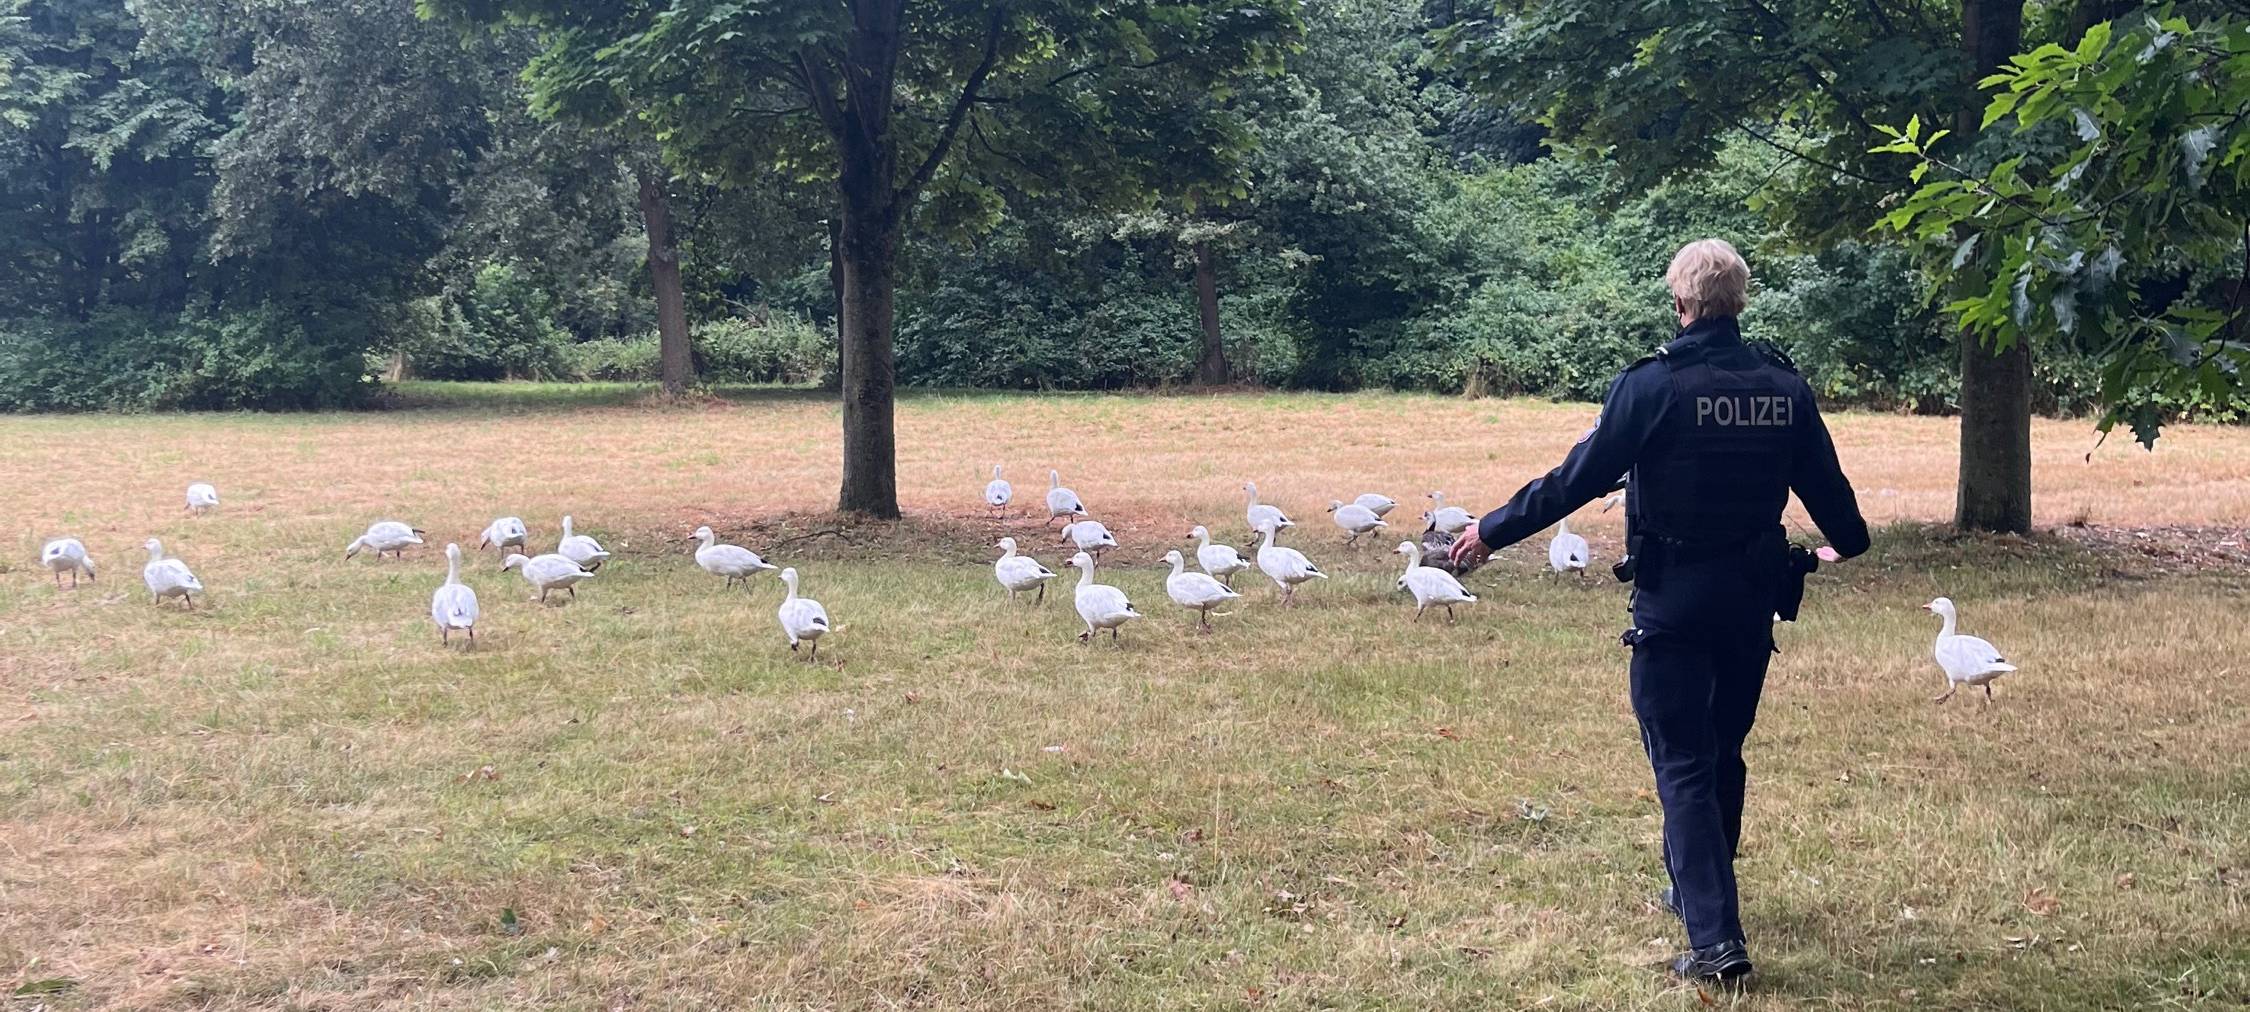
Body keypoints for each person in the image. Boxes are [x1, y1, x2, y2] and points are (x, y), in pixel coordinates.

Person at [1449, 239, 1869, 983]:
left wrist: (1491, 529)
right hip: (1750, 598)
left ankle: (1715, 942)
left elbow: (1577, 478)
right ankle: (1695, 893)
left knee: (1680, 760)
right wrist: (1841, 545)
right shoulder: (1784, 386)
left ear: (1679, 304)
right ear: (1740, 302)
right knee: (1721, 746)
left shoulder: (1654, 385)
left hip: (1674, 596)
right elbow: (1839, 512)